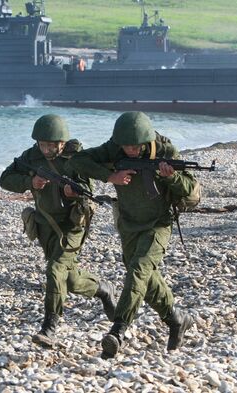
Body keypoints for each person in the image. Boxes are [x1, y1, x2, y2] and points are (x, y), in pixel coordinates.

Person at [67, 111, 195, 359]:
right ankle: (176, 318)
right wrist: (109, 176)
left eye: (135, 147)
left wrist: (173, 177)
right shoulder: (114, 149)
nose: (131, 151)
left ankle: (118, 330)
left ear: (147, 140)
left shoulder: (165, 151)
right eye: (126, 146)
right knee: (142, 278)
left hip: (158, 223)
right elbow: (77, 161)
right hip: (128, 223)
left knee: (138, 270)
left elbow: (189, 188)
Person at [0, 114, 117, 348]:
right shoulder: (30, 157)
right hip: (45, 226)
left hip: (72, 224)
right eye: (42, 144)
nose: (45, 149)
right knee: (69, 279)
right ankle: (103, 289)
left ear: (62, 143)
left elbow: (87, 189)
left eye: (51, 145)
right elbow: (5, 179)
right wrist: (29, 182)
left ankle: (49, 327)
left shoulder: (75, 158)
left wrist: (72, 193)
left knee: (55, 271)